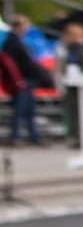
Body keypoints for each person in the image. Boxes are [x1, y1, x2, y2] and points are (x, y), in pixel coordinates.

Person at [3, 13, 43, 146]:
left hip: (23, 80)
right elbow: (17, 64)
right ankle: (18, 136)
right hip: (21, 81)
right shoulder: (13, 42)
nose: (27, 27)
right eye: (25, 24)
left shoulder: (16, 40)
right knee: (21, 110)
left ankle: (32, 136)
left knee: (28, 110)